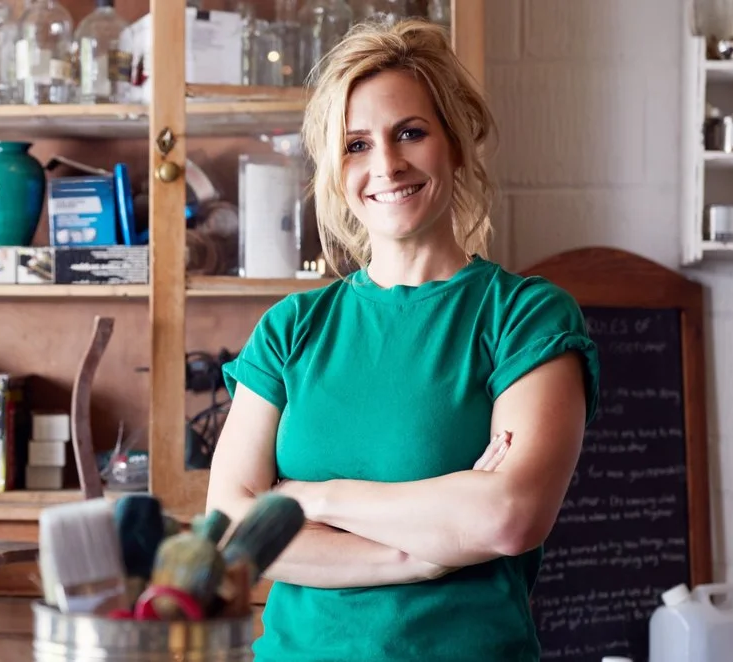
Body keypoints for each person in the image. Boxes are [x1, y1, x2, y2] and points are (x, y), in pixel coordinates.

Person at [204, 18, 601, 662]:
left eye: (410, 133)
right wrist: (419, 556)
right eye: (357, 144)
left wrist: (308, 497)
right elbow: (230, 531)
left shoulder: (524, 318)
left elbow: (508, 517)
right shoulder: (291, 328)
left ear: (455, 143)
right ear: (336, 169)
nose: (386, 164)